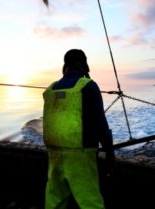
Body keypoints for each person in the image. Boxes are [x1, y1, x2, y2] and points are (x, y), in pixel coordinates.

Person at [42, 49, 115, 209]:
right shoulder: (88, 86)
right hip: (81, 154)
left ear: (65, 65)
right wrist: (109, 151)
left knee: (54, 199)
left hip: (54, 153)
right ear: (83, 65)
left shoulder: (50, 89)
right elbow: (100, 123)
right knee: (89, 200)